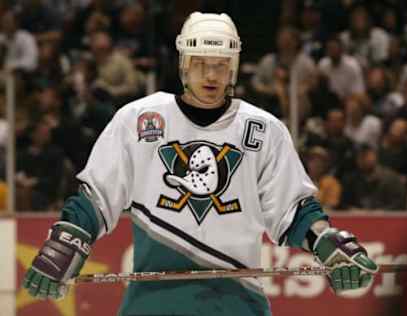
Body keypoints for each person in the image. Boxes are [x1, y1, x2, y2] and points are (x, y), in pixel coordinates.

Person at [22, 12, 378, 316]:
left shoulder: (263, 129)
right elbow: (97, 197)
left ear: (233, 67)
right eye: (201, 65)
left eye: (221, 65)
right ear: (183, 66)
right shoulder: (139, 119)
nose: (211, 75)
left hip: (236, 302)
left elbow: (294, 209)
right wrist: (67, 242)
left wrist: (328, 244)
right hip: (154, 304)